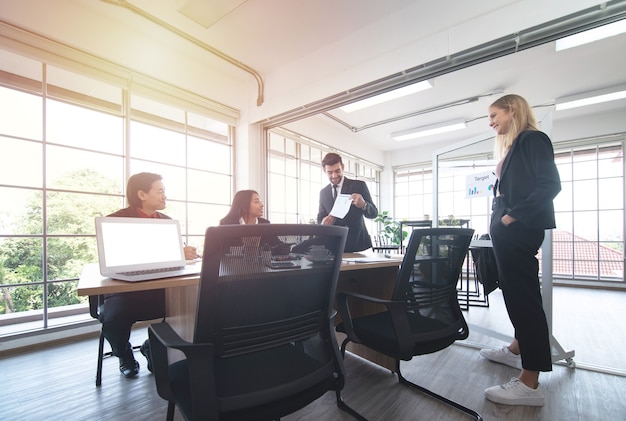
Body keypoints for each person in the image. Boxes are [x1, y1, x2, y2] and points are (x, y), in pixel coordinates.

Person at [480, 94, 561, 406]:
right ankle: (517, 348)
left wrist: (512, 216)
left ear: (511, 109)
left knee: (524, 299)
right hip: (507, 229)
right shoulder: (516, 146)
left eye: (493, 115)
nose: (491, 123)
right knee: (515, 295)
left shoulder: (532, 139)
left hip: (518, 228)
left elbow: (550, 185)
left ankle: (530, 383)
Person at [99, 172, 199, 378]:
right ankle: (124, 354)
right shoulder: (115, 221)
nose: (165, 196)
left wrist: (184, 253)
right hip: (126, 291)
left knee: (190, 305)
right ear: (142, 194)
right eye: (160, 191)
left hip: (160, 289)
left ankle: (152, 346)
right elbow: (113, 256)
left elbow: (176, 256)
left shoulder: (167, 221)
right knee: (112, 318)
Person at [317, 152, 378, 252]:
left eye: (337, 171)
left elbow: (374, 213)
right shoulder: (323, 193)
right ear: (324, 170)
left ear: (343, 167)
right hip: (334, 247)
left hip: (358, 246)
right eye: (330, 172)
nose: (334, 175)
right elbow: (320, 217)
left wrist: (364, 205)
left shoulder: (359, 186)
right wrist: (323, 222)